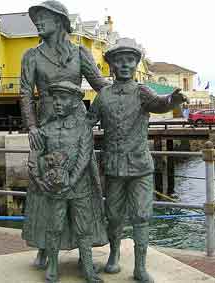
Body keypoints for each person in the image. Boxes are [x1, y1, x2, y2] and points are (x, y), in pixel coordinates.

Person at [87, 38, 187, 283]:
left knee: (142, 215)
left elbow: (160, 104)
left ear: (135, 64)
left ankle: (140, 267)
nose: (124, 65)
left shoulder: (142, 91)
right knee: (113, 215)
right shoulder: (103, 96)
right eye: (119, 61)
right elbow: (87, 122)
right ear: (111, 65)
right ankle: (113, 256)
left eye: (130, 60)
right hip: (113, 166)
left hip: (140, 166)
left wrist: (173, 100)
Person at [20, 0, 110, 267]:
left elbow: (101, 86)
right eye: (36, 18)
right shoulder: (31, 55)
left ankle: (87, 248)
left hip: (76, 128)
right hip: (46, 128)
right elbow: (25, 93)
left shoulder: (80, 52)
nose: (38, 22)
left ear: (60, 21)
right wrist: (32, 126)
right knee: (44, 186)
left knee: (83, 184)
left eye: (43, 17)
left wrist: (93, 116)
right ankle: (45, 246)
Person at [30, 81, 104, 283]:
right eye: (54, 98)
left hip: (79, 188)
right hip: (55, 190)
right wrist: (38, 177)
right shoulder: (46, 129)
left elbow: (84, 157)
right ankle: (53, 266)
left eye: (63, 98)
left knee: (83, 227)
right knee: (54, 226)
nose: (57, 102)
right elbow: (35, 155)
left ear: (74, 102)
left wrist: (71, 181)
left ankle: (88, 267)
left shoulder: (83, 129)